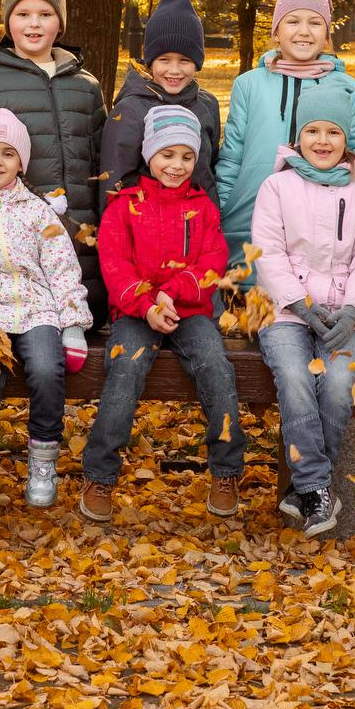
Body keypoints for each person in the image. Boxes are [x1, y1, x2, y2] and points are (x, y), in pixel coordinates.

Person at [81, 106, 246, 523]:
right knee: (124, 371)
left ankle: (226, 472)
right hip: (136, 312)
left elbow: (212, 261)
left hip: (190, 312)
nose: (176, 165)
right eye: (167, 155)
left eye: (186, 157)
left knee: (216, 367)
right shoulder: (124, 204)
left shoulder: (203, 206)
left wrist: (171, 295)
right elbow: (114, 264)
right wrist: (148, 303)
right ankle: (100, 476)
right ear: (149, 154)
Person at [0, 108, 93, 529]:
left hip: (35, 306)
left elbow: (62, 267)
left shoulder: (38, 210)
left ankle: (43, 459)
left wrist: (73, 323)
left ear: (21, 162)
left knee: (46, 370)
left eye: (8, 153)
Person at [251, 87, 355, 539]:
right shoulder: (277, 186)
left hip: (348, 313)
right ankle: (317, 486)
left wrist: (353, 312)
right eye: (312, 130)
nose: (323, 140)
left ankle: (307, 490)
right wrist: (302, 308)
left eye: (333, 131)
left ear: (347, 139)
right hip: (287, 311)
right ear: (298, 137)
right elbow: (268, 252)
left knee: (335, 384)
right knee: (294, 378)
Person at [0, 0, 108, 320]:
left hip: (83, 241)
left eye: (45, 14)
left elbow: (101, 166)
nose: (34, 24)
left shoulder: (85, 86)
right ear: (9, 23)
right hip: (16, 254)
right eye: (23, 14)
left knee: (81, 328)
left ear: (60, 23)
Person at [216, 0, 355, 267]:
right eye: (292, 21)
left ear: (326, 35)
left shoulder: (347, 88)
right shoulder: (249, 85)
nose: (303, 31)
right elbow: (232, 154)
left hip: (319, 228)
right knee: (250, 302)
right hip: (248, 219)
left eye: (314, 23)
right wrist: (226, 205)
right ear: (276, 32)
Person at [100, 0, 221, 198]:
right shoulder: (130, 110)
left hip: (199, 223)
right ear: (151, 61)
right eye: (164, 60)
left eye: (184, 60)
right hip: (147, 224)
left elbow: (209, 169)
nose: (174, 70)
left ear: (197, 63)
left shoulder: (207, 106)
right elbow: (114, 180)